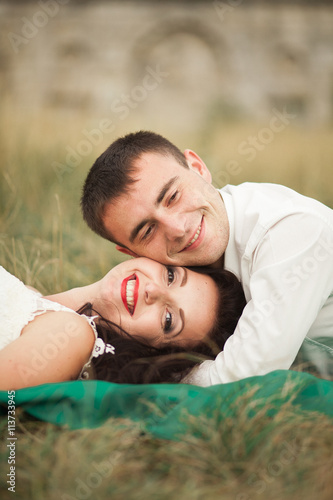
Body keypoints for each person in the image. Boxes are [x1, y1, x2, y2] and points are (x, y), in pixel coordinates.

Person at [81, 130, 333, 386]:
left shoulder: (293, 230)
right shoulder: (166, 288)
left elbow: (244, 379)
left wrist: (155, 373)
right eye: (148, 231)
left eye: (172, 197)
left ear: (198, 168)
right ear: (133, 254)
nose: (178, 228)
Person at [0, 259, 246, 390]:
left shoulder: (71, 336)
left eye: (168, 319)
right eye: (170, 276)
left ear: (152, 351)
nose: (153, 290)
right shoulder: (33, 299)